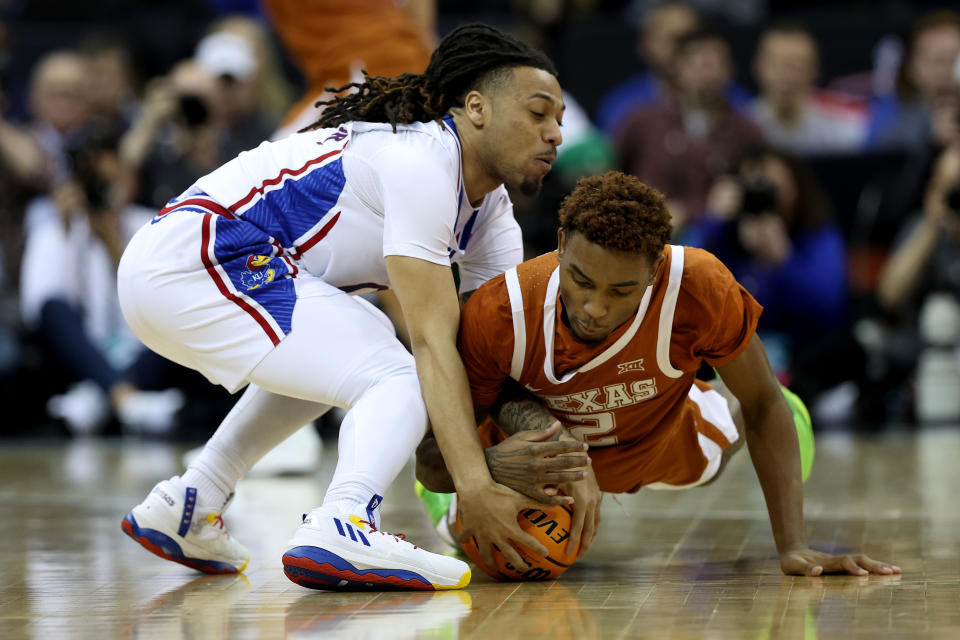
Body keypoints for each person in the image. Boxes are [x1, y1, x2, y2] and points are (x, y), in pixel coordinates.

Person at [118, 23, 579, 591]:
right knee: (394, 370)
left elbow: (486, 357)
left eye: (558, 119)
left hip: (206, 268)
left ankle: (191, 502)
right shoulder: (423, 162)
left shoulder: (491, 216)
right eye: (538, 113)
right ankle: (346, 519)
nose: (554, 134)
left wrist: (563, 456)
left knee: (354, 345)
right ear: (477, 108)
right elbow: (434, 346)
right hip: (197, 259)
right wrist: (476, 485)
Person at [415, 171, 900, 577]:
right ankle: (449, 516)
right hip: (534, 466)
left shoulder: (698, 286)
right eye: (581, 280)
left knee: (747, 421)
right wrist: (488, 469)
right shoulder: (500, 311)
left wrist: (793, 545)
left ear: (654, 272)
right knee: (507, 557)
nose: (594, 307)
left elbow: (762, 402)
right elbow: (432, 460)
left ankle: (765, 419)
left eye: (621, 291)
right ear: (561, 245)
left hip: (660, 438)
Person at [615, 27, 762, 234]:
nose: (706, 69)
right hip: (645, 235)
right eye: (697, 60)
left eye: (715, 61)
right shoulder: (641, 121)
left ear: (730, 70)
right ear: (676, 68)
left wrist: (689, 211)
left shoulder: (747, 130)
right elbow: (611, 175)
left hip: (721, 242)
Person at [749, 24, 867, 156]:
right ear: (758, 66)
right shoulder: (742, 122)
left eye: (797, 66)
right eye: (776, 64)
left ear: (815, 70)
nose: (787, 76)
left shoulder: (847, 121)